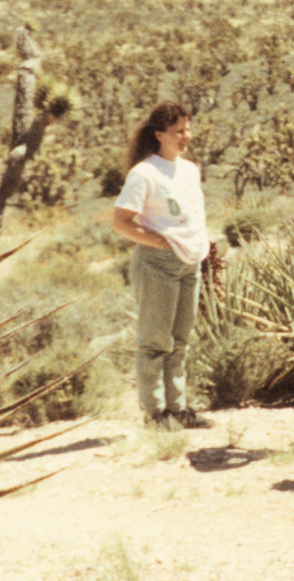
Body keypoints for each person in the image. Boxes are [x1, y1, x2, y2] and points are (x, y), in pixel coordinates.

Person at [112, 102, 214, 430]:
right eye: (178, 131)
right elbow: (121, 221)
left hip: (189, 262)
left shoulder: (189, 170)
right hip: (157, 264)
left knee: (180, 339)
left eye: (188, 128)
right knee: (156, 340)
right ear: (159, 135)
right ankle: (156, 413)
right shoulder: (145, 173)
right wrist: (159, 241)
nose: (186, 136)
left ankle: (178, 407)